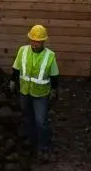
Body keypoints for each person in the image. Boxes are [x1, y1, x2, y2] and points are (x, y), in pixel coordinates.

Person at [10, 25, 60, 159]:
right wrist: (13, 81)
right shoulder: (23, 51)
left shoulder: (49, 56)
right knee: (27, 116)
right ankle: (31, 140)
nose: (35, 43)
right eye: (33, 40)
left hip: (41, 94)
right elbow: (16, 68)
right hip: (25, 91)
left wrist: (54, 90)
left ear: (43, 41)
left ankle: (43, 145)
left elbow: (54, 75)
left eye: (38, 41)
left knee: (41, 121)